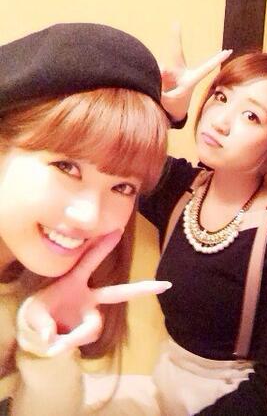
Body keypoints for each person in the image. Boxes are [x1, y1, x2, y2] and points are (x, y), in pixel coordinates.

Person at [74, 51, 267, 416]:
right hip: (165, 383)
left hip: (232, 401)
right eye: (221, 96)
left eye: (251, 116)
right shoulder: (180, 190)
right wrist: (166, 113)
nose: (220, 121)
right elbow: (117, 152)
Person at [0, 22, 174, 414]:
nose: (89, 216)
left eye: (122, 187)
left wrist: (44, 345)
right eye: (67, 167)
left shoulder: (35, 283)